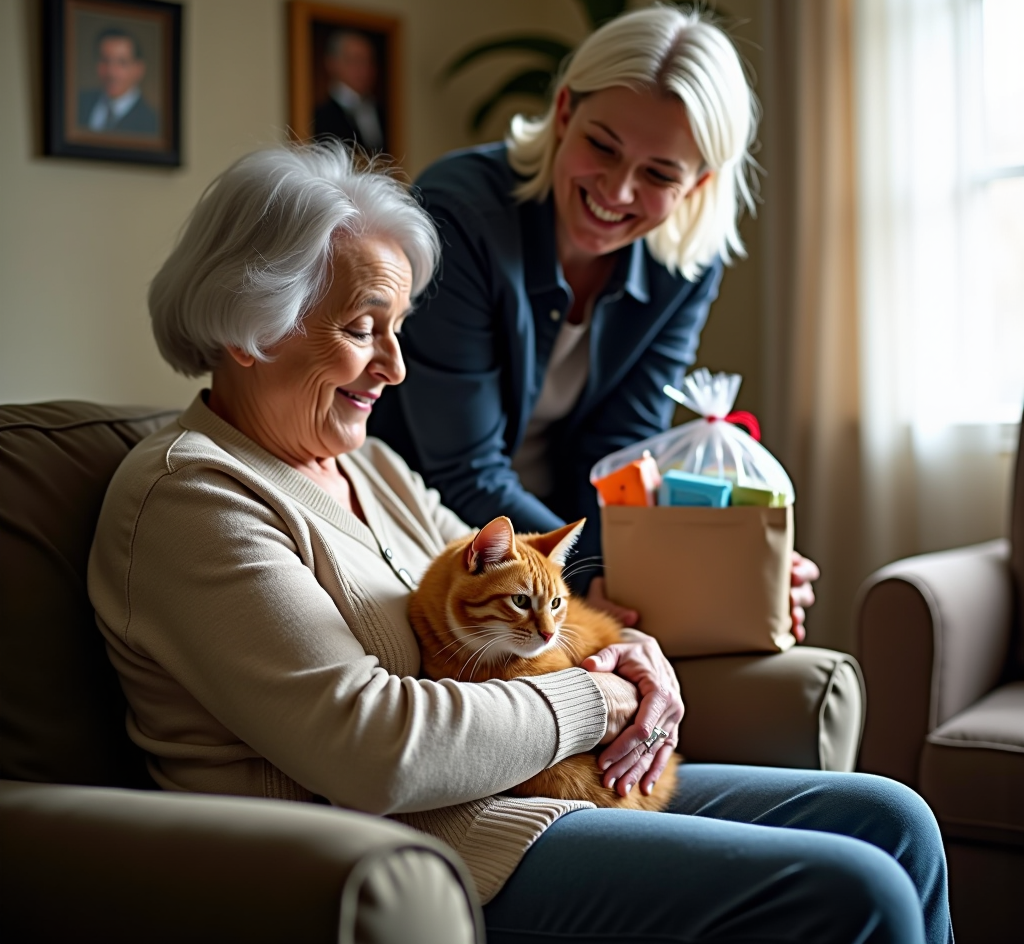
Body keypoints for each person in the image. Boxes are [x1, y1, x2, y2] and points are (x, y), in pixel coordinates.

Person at [88, 141, 950, 943]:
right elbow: (373, 749)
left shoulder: (375, 468)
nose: (395, 367)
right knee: (855, 890)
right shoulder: (194, 498)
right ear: (250, 327)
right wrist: (597, 702)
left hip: (527, 793)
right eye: (362, 329)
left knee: (893, 818)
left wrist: (633, 654)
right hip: (406, 847)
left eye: (399, 329)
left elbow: (527, 588)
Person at [368, 5, 820, 632]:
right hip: (437, 536)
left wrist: (703, 572)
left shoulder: (685, 265)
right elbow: (462, 469)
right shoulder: (459, 213)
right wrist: (591, 581)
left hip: (553, 557)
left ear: (697, 185)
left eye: (660, 173)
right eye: (602, 146)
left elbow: (621, 451)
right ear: (563, 112)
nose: (618, 190)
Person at [77, 27, 158, 135]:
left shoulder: (153, 124)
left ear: (139, 69)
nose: (111, 72)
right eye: (104, 60)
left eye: (122, 63)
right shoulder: (77, 103)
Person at [314, 29, 385, 151]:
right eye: (355, 60)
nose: (364, 69)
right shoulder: (318, 116)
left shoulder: (382, 112)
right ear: (332, 64)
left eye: (368, 61)